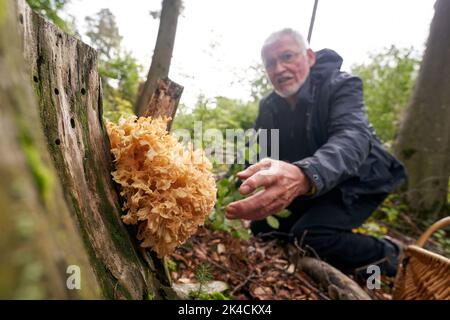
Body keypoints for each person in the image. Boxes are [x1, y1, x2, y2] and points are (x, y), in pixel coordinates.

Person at [225, 28, 406, 277]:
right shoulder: (269, 106)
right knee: (262, 227)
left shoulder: (342, 86)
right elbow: (255, 150)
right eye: (270, 63)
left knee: (311, 237)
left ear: (309, 57)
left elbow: (352, 137)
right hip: (318, 185)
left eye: (287, 56)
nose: (278, 69)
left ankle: (393, 254)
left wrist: (304, 174)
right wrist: (224, 183)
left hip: (360, 179)